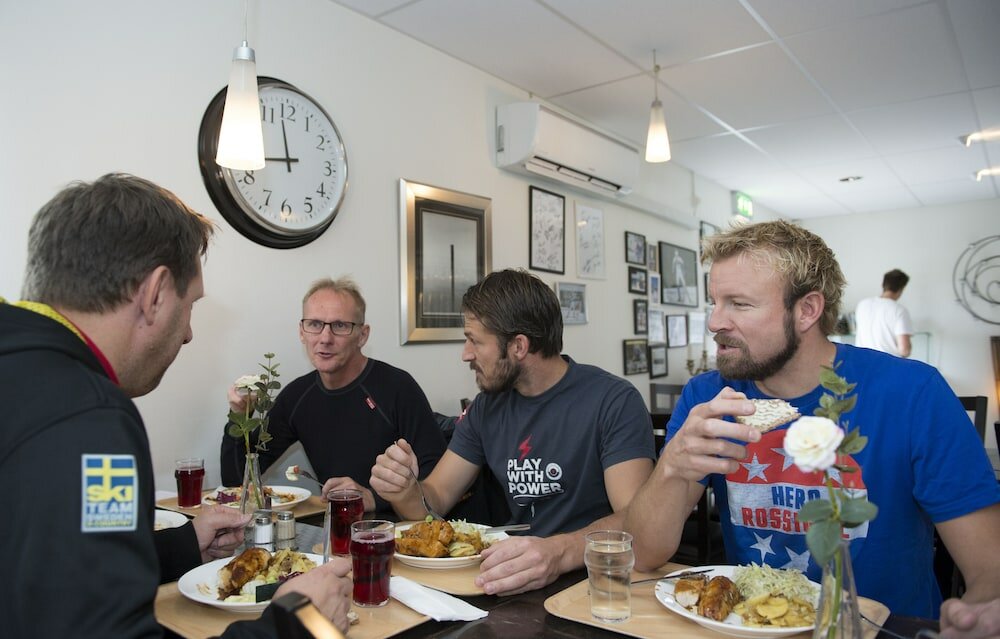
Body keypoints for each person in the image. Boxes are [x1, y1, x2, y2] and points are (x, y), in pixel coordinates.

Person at [0, 174, 352, 637]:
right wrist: (300, 624)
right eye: (190, 306)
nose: (187, 333)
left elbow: (47, 573)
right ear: (156, 293)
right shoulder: (91, 420)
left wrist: (181, 548)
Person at [625, 220, 1000, 619]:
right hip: (751, 623)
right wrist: (670, 466)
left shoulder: (914, 393)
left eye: (739, 303)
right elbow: (645, 554)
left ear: (807, 310)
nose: (715, 322)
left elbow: (988, 569)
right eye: (714, 302)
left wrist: (983, 614)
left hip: (881, 627)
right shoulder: (708, 397)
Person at [370, 268, 655, 596]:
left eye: (474, 340)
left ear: (519, 345)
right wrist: (404, 489)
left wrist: (558, 553)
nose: (466, 354)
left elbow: (636, 522)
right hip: (516, 580)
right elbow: (434, 504)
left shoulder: (613, 402)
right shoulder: (486, 408)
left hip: (599, 585)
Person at [221, 277, 446, 518]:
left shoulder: (398, 387)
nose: (325, 338)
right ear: (301, 332)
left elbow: (436, 481)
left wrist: (372, 497)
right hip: (336, 535)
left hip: (398, 533)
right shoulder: (297, 397)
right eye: (315, 324)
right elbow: (238, 482)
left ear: (362, 335)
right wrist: (240, 417)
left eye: (339, 326)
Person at [854, 268, 914, 357]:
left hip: (862, 362)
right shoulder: (899, 310)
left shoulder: (862, 304)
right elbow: (904, 350)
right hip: (888, 365)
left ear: (883, 284)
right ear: (901, 288)